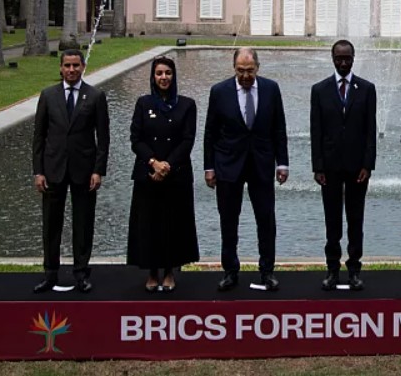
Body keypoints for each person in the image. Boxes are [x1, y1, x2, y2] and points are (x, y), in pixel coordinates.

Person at [204, 47, 289, 292]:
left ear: (257, 68)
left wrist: (282, 163)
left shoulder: (271, 89)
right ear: (234, 68)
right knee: (228, 220)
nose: (245, 76)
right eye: (240, 70)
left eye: (249, 71)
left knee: (266, 220)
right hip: (228, 165)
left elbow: (279, 128)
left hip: (261, 164)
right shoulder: (219, 91)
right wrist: (209, 167)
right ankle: (230, 271)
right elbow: (210, 132)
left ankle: (267, 271)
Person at [31, 49, 110, 294]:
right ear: (61, 68)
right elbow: (39, 136)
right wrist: (38, 171)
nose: (72, 70)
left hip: (84, 171)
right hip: (52, 170)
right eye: (67, 65)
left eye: (76, 65)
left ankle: (81, 273)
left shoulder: (95, 96)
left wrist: (98, 170)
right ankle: (50, 273)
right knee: (51, 224)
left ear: (83, 67)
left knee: (83, 224)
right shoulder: (48, 95)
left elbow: (103, 138)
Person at [127, 55, 199, 293]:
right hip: (148, 175)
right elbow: (136, 139)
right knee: (149, 224)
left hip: (176, 175)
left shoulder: (187, 105)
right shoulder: (143, 103)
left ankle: (169, 271)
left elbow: (187, 140)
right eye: (159, 73)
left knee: (173, 225)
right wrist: (153, 163)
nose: (163, 77)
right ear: (153, 76)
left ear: (174, 76)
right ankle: (151, 272)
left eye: (168, 73)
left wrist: (167, 165)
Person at [310, 40, 377, 291]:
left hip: (357, 167)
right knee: (332, 221)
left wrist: (368, 165)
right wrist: (318, 167)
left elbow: (370, 130)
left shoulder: (366, 89)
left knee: (355, 220)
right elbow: (316, 130)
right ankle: (332, 269)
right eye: (339, 58)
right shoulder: (320, 90)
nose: (343, 63)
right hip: (330, 168)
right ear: (332, 59)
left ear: (353, 58)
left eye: (347, 58)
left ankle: (354, 270)